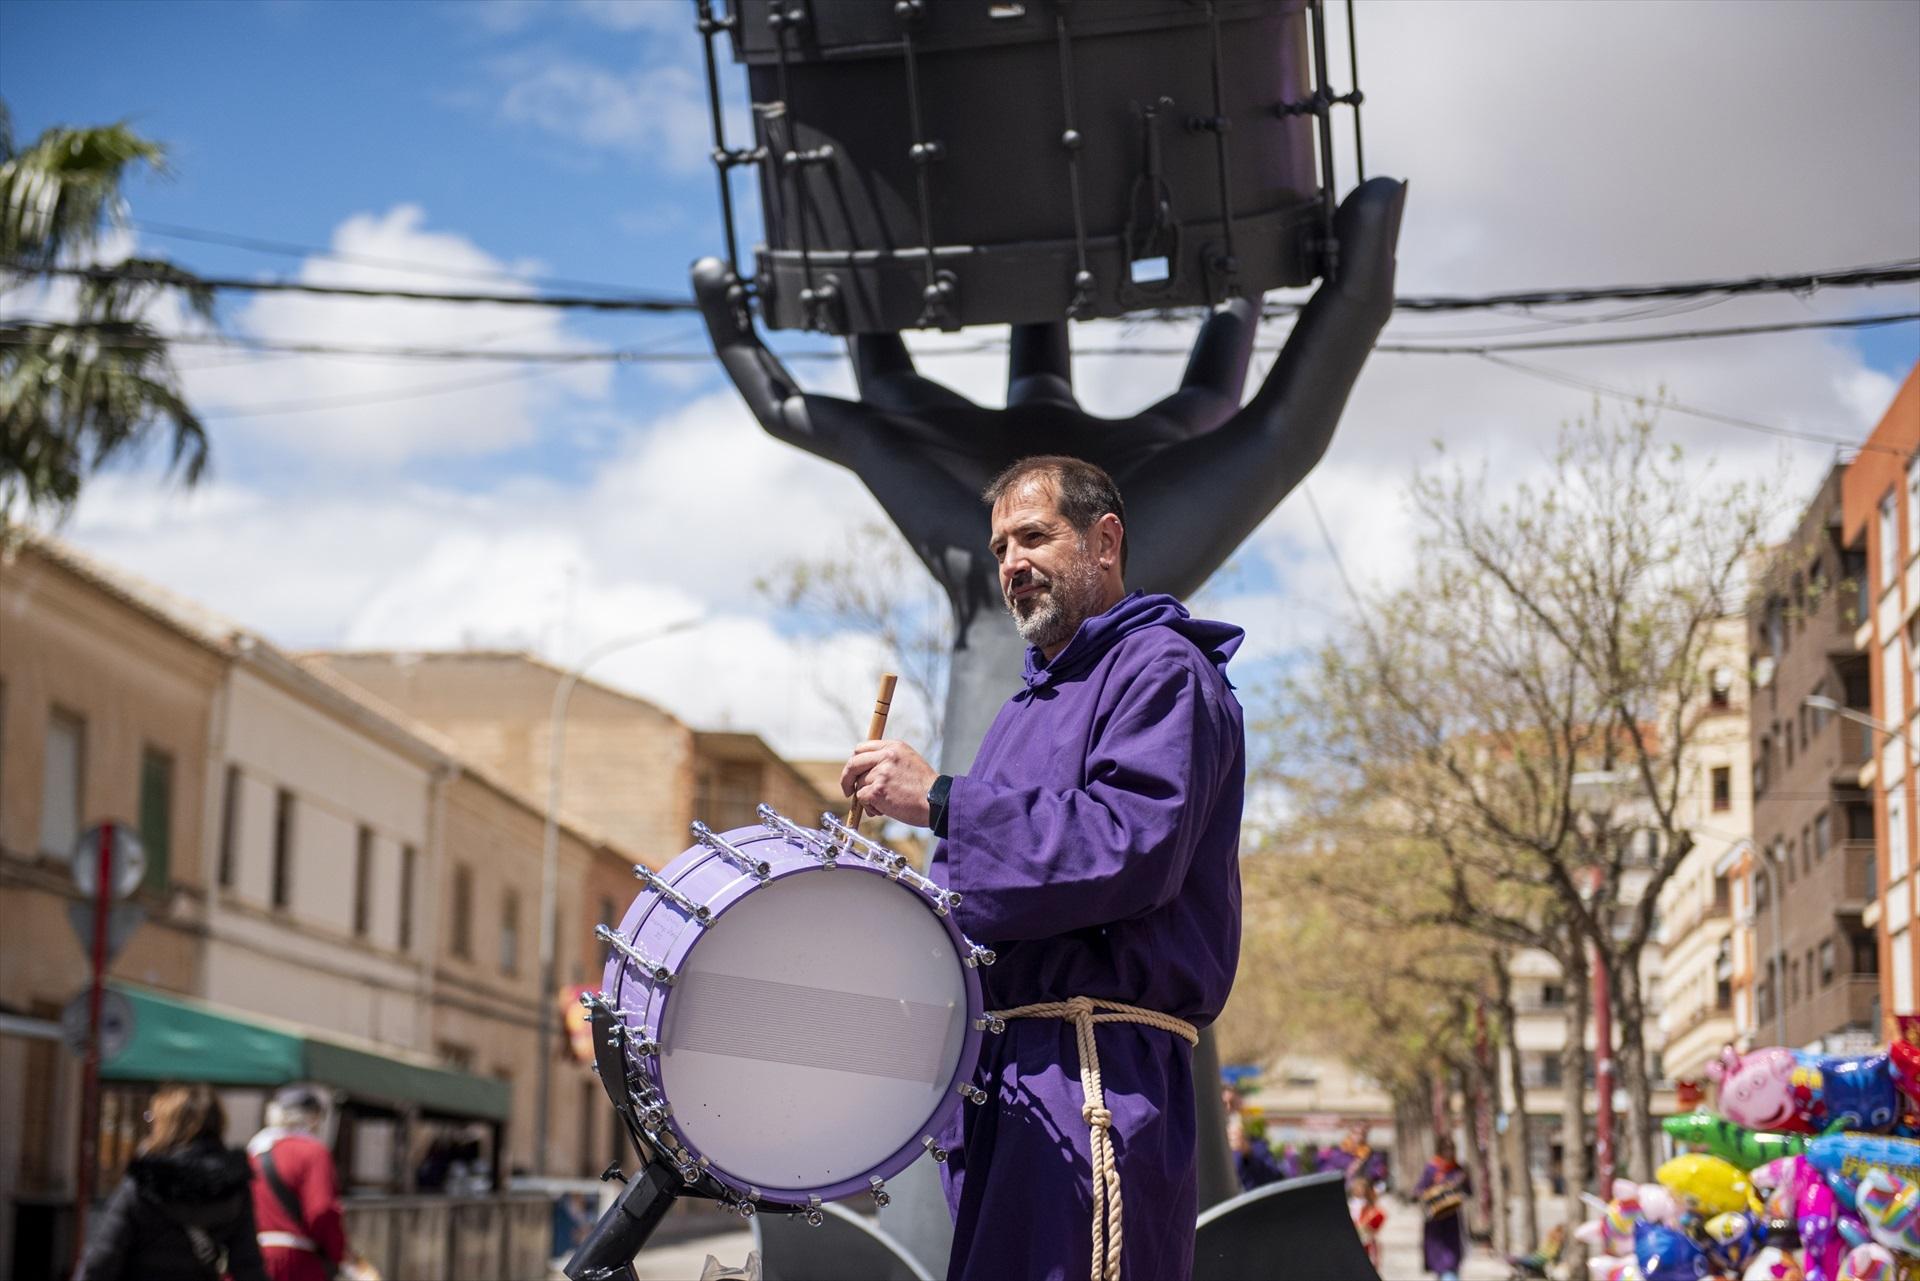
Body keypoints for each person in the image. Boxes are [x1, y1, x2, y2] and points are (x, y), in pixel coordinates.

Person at [841, 455, 1246, 1281]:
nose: (1011, 564)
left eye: (1033, 536)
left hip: (1095, 1075)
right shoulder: (1024, 706)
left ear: (1105, 542)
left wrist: (944, 798)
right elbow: (981, 892)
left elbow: (1129, 843)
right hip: (1009, 1085)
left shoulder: (1162, 670)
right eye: (998, 549)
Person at [76, 1082, 269, 1281]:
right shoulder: (232, 1186)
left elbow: (100, 1261)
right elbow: (248, 1265)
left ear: (166, 1125)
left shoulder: (144, 1181)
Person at [248, 1086, 347, 1281]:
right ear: (313, 1118)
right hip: (296, 1263)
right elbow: (321, 1211)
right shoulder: (313, 1152)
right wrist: (337, 1253)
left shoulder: (253, 1151)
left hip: (249, 1258)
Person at [1414, 1136, 1471, 1281]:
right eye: (1446, 1149)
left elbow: (1469, 1192)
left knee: (1452, 1260)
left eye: (1451, 1149)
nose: (1449, 1152)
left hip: (1452, 1220)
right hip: (1436, 1221)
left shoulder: (1458, 1169)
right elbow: (1419, 1190)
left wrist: (1463, 1182)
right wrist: (1436, 1191)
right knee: (1440, 1260)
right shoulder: (1432, 1168)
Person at [1349, 1176, 1387, 1268]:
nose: (1358, 1191)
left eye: (1361, 1188)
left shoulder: (1372, 1209)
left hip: (1367, 1242)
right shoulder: (1350, 1204)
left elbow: (1377, 1222)